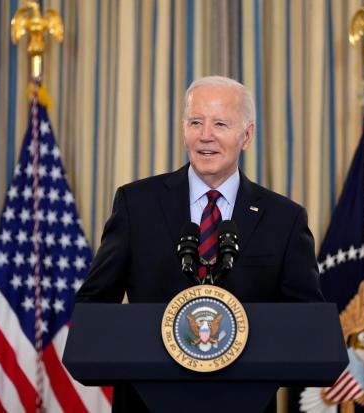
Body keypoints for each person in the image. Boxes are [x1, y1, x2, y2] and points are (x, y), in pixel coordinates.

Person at [75, 76, 323, 412]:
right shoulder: (137, 204)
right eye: (196, 122)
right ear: (184, 129)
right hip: (147, 404)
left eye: (220, 123)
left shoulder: (285, 219)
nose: (206, 135)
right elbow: (94, 306)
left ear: (246, 135)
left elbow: (305, 324)